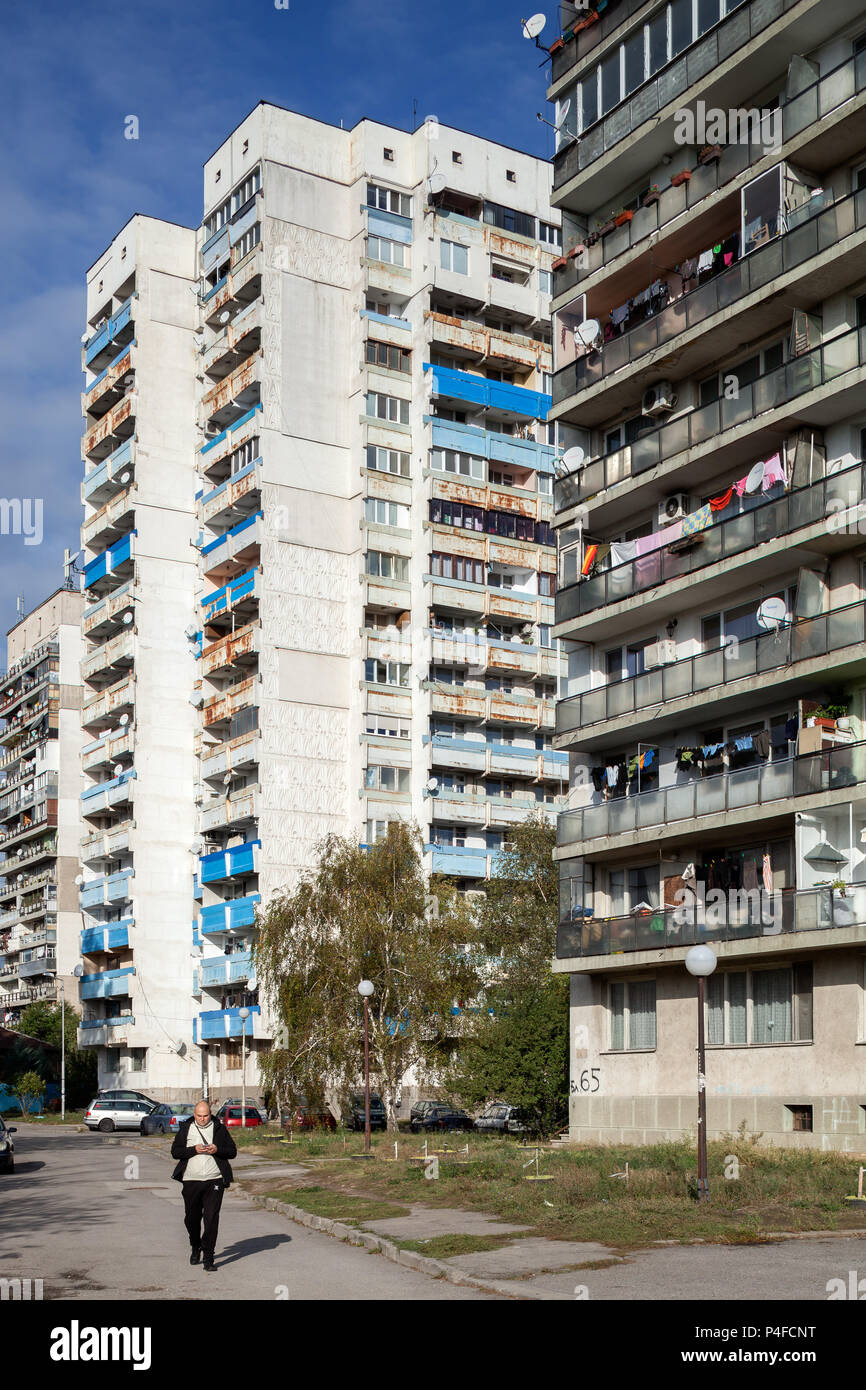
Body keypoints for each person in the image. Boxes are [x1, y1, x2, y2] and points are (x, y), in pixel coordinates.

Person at [170, 1099, 237, 1272]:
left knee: (211, 1219)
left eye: (205, 1115)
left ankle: (209, 1257)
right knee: (191, 1218)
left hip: (214, 1180)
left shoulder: (219, 1129)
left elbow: (232, 1151)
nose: (202, 1119)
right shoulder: (186, 1128)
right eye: (199, 1116)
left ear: (210, 1113)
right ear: (194, 1115)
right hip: (191, 1180)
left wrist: (217, 1149)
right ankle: (195, 1245)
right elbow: (175, 1152)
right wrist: (194, 1149)